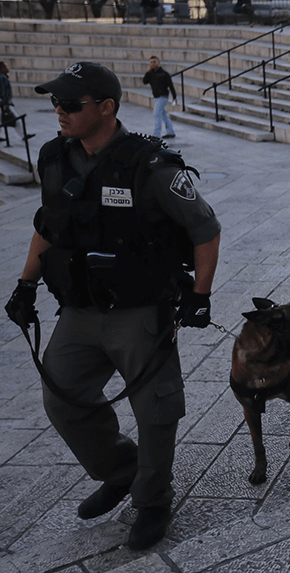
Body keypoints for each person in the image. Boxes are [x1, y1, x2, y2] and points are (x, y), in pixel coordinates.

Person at [4, 61, 221, 550]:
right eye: (56, 102)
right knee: (62, 397)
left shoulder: (152, 166)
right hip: (79, 309)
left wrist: (201, 297)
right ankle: (121, 470)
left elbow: (205, 229)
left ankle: (153, 500)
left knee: (155, 411)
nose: (58, 111)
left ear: (106, 108)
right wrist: (25, 285)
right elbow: (48, 224)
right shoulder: (55, 158)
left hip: (141, 312)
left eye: (71, 104)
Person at [142, 56, 177, 139]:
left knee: (157, 114)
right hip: (156, 97)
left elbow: (171, 86)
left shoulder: (164, 73)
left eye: (154, 62)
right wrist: (148, 71)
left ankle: (156, 134)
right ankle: (171, 131)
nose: (152, 64)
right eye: (151, 62)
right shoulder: (151, 73)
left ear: (158, 63)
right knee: (163, 114)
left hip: (163, 96)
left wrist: (174, 97)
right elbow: (144, 81)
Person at [0, 61, 32, 140]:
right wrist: (6, 103)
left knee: (15, 118)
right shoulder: (2, 78)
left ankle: (23, 135)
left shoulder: (3, 77)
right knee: (15, 118)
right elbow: (3, 92)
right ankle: (23, 135)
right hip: (3, 102)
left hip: (3, 102)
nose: (7, 68)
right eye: (5, 67)